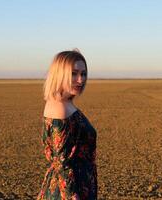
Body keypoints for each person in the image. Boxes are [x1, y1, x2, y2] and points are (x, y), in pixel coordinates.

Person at [37, 49, 97, 200]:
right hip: (70, 190)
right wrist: (72, 196)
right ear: (59, 74)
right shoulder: (60, 108)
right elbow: (61, 163)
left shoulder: (64, 103)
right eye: (73, 74)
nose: (80, 80)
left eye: (83, 74)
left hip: (79, 183)